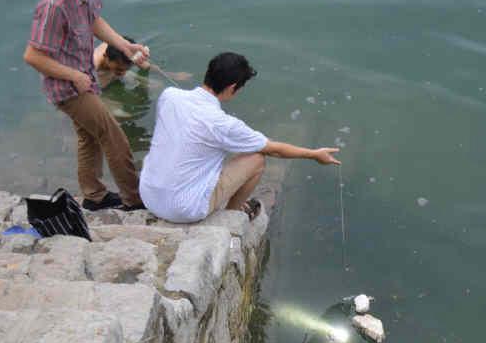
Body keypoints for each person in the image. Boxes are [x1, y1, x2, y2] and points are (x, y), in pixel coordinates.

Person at [140, 52, 340, 224]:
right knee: (257, 159)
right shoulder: (223, 124)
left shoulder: (170, 95)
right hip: (182, 210)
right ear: (232, 87)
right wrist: (314, 154)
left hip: (149, 195)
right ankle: (232, 215)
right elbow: (274, 149)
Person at [23, 0, 149, 211]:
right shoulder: (54, 5)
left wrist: (124, 45)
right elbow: (33, 56)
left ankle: (93, 195)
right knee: (113, 136)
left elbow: (93, 20)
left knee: (88, 137)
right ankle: (135, 199)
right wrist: (74, 76)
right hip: (68, 86)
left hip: (85, 78)